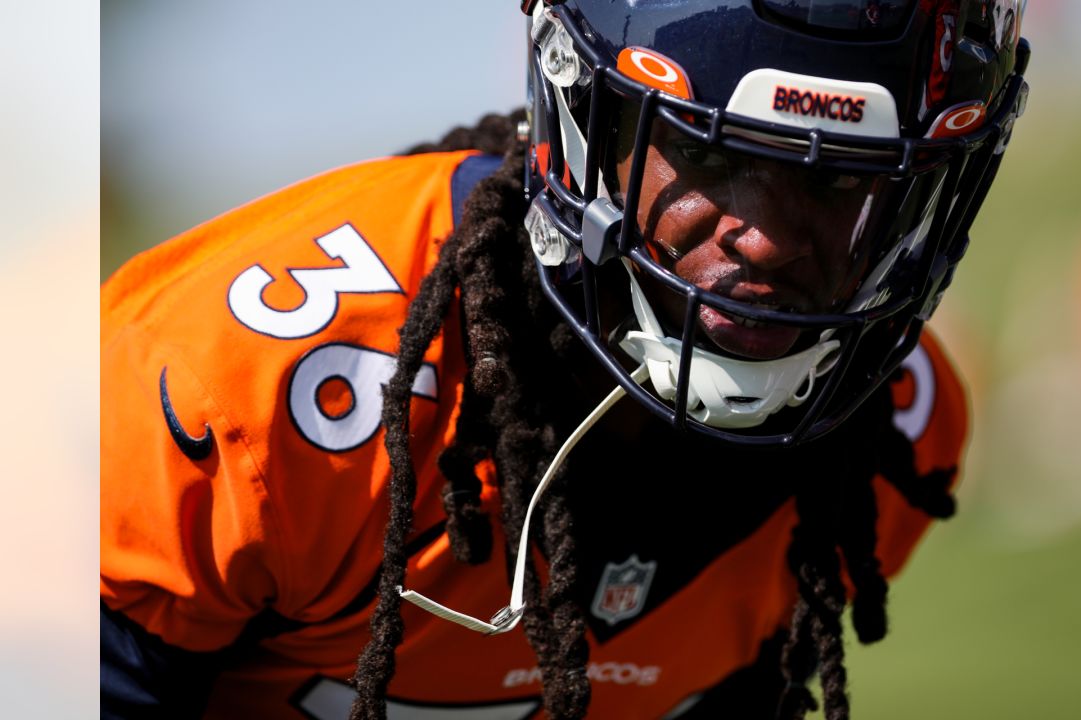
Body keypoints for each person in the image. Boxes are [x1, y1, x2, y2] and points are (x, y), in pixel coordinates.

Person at [100, 1, 1030, 718]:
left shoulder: (894, 429)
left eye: (843, 177)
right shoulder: (247, 381)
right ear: (584, 120)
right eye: (710, 152)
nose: (770, 240)